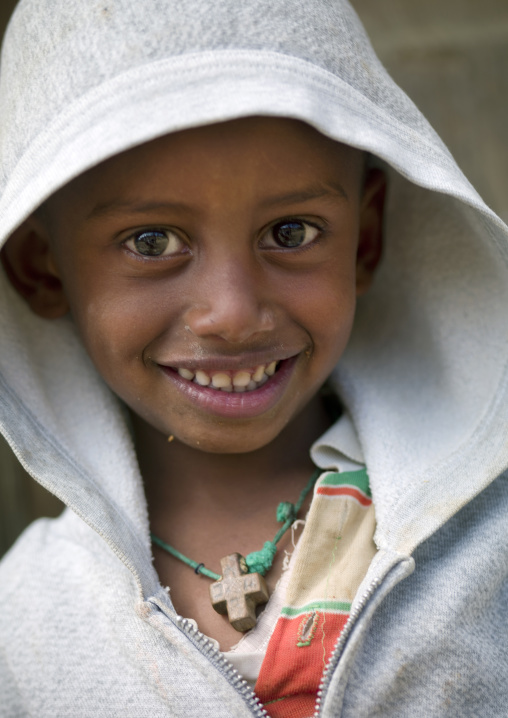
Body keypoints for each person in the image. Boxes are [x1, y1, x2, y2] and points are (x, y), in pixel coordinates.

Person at [1, 0, 507, 716]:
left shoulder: (489, 538)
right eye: (152, 243)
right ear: (42, 269)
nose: (233, 312)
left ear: (364, 240)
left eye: (292, 232)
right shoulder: (22, 631)